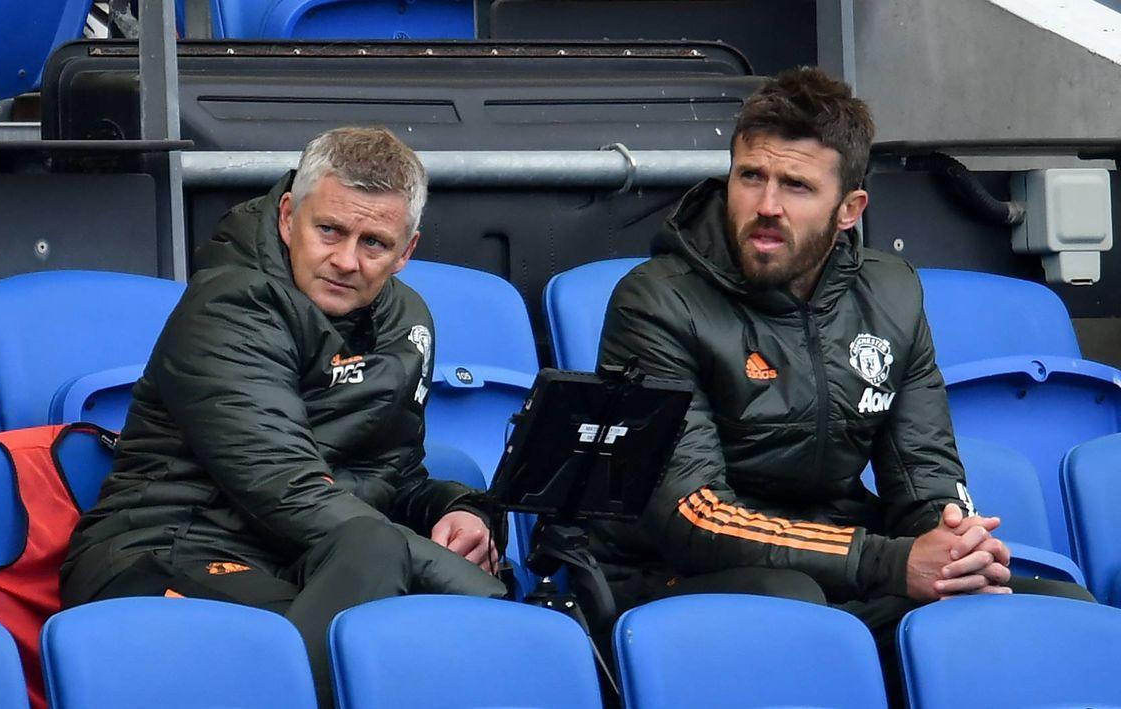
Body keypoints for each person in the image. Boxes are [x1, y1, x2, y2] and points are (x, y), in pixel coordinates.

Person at [587, 67, 1092, 698]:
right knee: (795, 605)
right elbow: (693, 515)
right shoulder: (655, 302)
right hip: (669, 573)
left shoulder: (891, 294)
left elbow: (925, 472)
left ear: (849, 210)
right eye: (751, 177)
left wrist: (953, 547)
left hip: (837, 566)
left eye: (796, 186)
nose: (767, 206)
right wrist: (892, 562)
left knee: (1057, 608)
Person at [61, 127, 506, 707]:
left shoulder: (406, 321)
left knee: (423, 626)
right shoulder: (228, 307)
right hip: (165, 551)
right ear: (289, 216)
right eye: (330, 230)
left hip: (304, 560)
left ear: (407, 251)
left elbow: (390, 476)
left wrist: (459, 510)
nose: (346, 261)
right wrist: (487, 598)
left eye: (374, 243)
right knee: (400, 616)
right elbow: (290, 490)